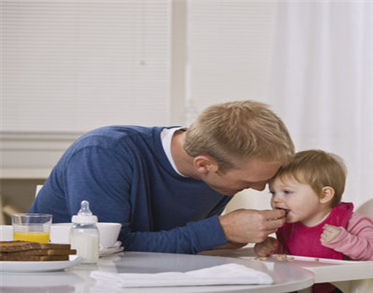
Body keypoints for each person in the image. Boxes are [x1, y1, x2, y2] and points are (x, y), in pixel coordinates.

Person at [29, 100, 295, 254]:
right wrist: (220, 230)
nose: (260, 188)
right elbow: (108, 248)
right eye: (247, 182)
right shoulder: (104, 152)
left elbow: (176, 241)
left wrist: (232, 237)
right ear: (204, 165)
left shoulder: (217, 169)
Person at [254, 149, 373, 293]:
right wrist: (275, 248)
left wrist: (344, 241)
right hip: (299, 288)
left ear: (324, 195)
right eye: (273, 193)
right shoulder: (289, 224)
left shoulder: (351, 222)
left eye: (287, 192)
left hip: (340, 290)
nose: (276, 200)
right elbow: (293, 256)